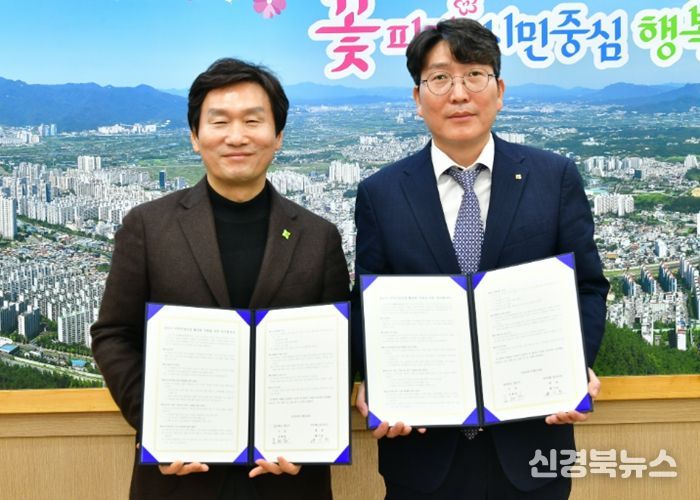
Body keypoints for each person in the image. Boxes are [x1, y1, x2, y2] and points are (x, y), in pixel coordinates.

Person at [352, 18, 609, 499]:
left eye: (474, 74)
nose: (459, 93)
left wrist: (574, 365)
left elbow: (588, 287)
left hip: (534, 441)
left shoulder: (553, 177)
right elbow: (369, 304)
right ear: (417, 98)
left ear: (499, 90)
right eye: (440, 78)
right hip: (423, 451)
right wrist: (376, 378)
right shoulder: (380, 194)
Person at [91, 58, 349, 500]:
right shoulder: (148, 226)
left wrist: (312, 436)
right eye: (219, 121)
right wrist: (157, 425)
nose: (236, 136)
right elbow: (114, 335)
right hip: (180, 478)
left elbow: (337, 348)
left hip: (288, 478)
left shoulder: (318, 236)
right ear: (195, 136)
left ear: (278, 135)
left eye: (253, 120)